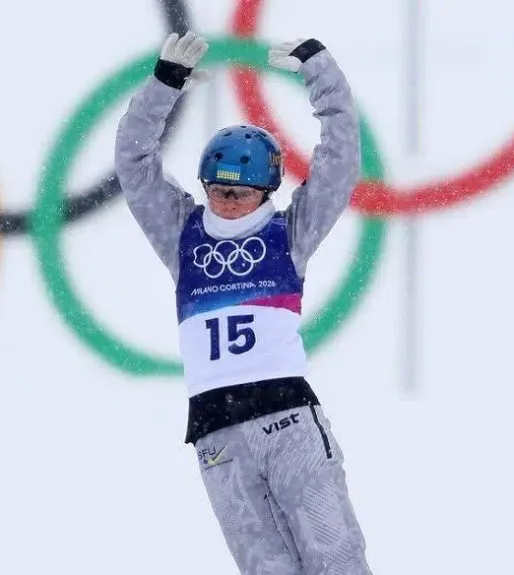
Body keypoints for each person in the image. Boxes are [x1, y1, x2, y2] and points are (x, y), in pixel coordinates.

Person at [114, 30, 373, 575]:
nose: (225, 203)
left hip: (288, 425)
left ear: (267, 190)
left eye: (239, 193)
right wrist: (164, 85)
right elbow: (133, 164)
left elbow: (339, 164)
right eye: (217, 190)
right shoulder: (183, 236)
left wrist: (321, 74)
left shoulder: (290, 235)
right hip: (218, 438)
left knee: (337, 561)